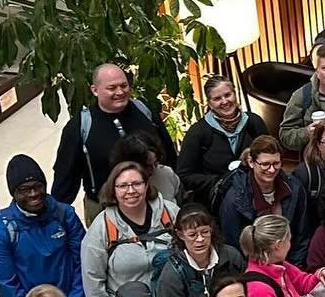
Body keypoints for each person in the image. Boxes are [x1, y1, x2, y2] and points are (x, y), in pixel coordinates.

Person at [51, 63, 176, 220]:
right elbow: (66, 175)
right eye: (112, 88)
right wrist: (55, 217)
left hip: (155, 200)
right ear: (95, 90)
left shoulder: (144, 110)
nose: (120, 92)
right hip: (106, 208)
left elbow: (168, 152)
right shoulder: (80, 126)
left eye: (124, 85)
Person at [0, 154, 88, 297]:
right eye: (25, 189)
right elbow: (7, 284)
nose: (33, 194)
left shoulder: (65, 215)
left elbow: (83, 264)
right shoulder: (1, 231)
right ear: (13, 193)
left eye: (38, 187)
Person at [81, 161, 180, 297]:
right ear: (113, 189)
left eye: (137, 184)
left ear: (147, 185)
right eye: (123, 186)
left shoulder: (170, 214)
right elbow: (93, 281)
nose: (131, 191)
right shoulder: (101, 229)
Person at [219, 135, 313, 268]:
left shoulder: (295, 189)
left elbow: (302, 235)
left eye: (276, 163)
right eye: (265, 164)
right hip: (254, 269)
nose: (272, 170)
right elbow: (234, 246)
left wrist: (293, 270)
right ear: (251, 162)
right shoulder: (235, 199)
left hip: (290, 265)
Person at [176, 75, 270, 207]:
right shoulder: (198, 132)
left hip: (258, 195)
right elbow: (184, 174)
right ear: (209, 103)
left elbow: (271, 154)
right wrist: (221, 181)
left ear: (235, 94)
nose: (224, 101)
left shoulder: (253, 122)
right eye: (217, 99)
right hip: (217, 202)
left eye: (228, 95)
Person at [157, 204, 247, 297]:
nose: (200, 239)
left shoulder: (231, 256)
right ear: (180, 235)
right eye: (192, 234)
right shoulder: (172, 274)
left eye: (205, 232)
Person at [110, 131, 181, 201]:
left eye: (156, 163)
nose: (153, 169)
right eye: (147, 166)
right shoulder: (117, 185)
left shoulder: (166, 173)